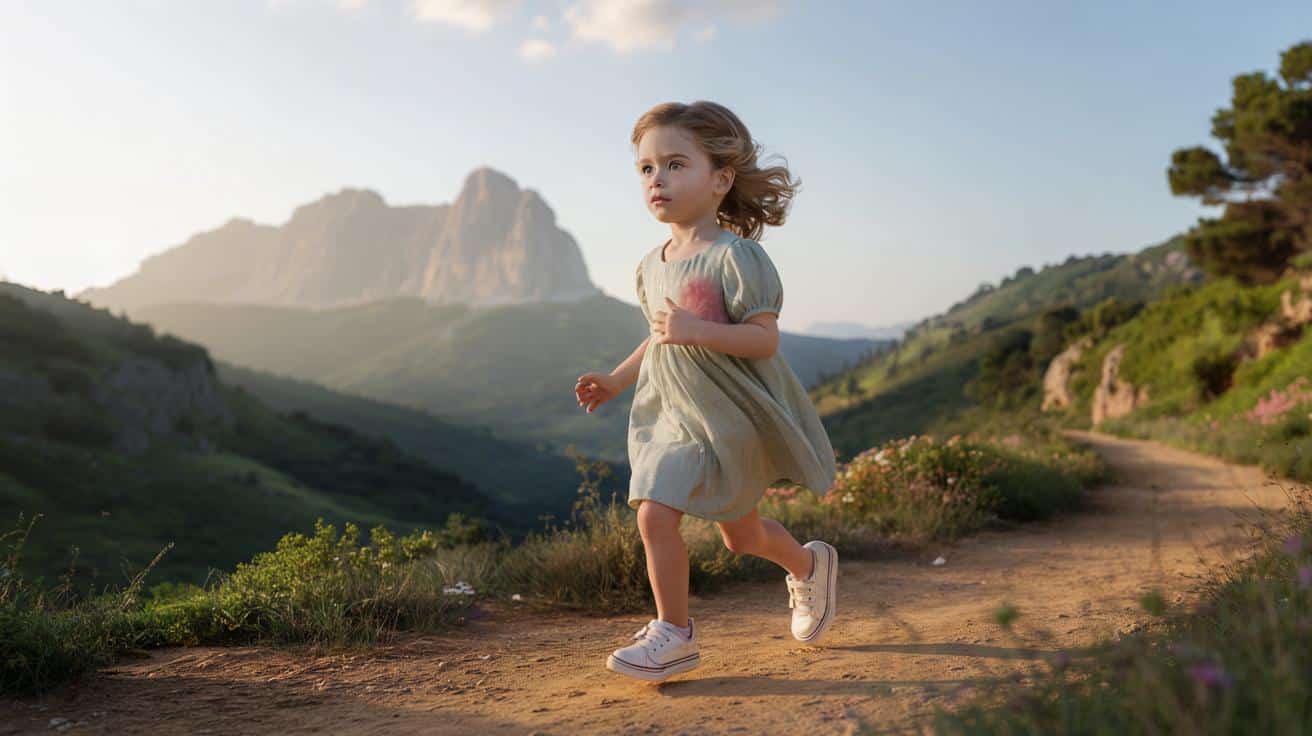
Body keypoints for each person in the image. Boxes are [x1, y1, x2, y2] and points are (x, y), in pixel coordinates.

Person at [574, 100, 839, 683]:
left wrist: (700, 331)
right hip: (670, 413)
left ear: (721, 179)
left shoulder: (736, 257)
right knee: (654, 512)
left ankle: (805, 565)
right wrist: (618, 379)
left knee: (741, 536)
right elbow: (660, 336)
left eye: (674, 164)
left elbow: (763, 340)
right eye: (646, 169)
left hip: (724, 413)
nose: (657, 179)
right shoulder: (651, 265)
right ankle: (675, 632)